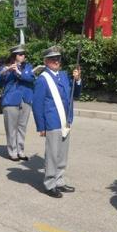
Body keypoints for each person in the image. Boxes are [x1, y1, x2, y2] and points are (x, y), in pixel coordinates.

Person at [32, 46, 82, 198]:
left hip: (65, 121)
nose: (56, 61)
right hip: (52, 122)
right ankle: (49, 184)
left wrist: (78, 80)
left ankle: (59, 180)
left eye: (58, 58)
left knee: (62, 154)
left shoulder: (64, 75)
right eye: (52, 59)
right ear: (46, 61)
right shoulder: (43, 79)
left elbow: (75, 95)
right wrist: (41, 126)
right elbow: (37, 105)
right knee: (52, 154)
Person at [0, 45, 35, 162]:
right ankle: (12, 151)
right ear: (14, 56)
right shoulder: (5, 67)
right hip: (11, 100)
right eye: (20, 54)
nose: (23, 56)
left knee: (22, 127)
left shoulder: (28, 67)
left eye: (24, 54)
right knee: (11, 128)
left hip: (26, 99)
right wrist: (6, 71)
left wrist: (18, 72)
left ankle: (20, 150)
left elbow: (31, 78)